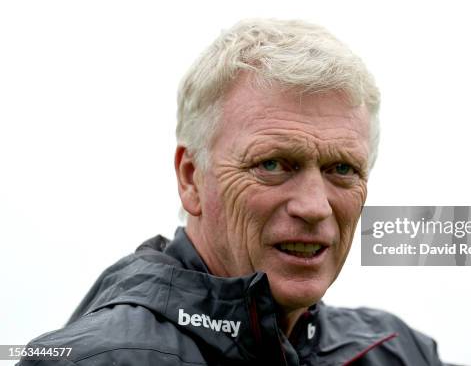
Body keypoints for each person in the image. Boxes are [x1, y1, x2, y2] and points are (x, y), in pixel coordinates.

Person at [19, 19, 446, 365]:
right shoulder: (95, 360)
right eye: (274, 165)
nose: (315, 207)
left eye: (342, 169)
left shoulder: (400, 352)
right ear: (191, 178)